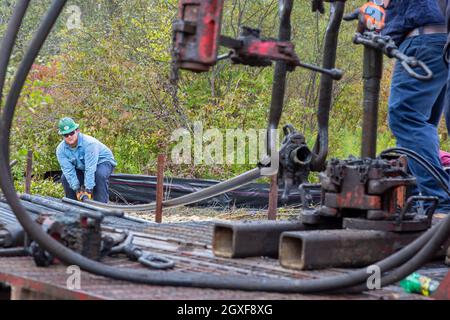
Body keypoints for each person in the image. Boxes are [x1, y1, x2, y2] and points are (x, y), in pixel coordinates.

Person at [382, 0, 450, 212]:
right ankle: (416, 201)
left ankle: (439, 202)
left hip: (423, 40)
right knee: (423, 125)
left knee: (405, 117)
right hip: (440, 41)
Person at [56, 117, 117, 203]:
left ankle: (101, 206)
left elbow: (90, 168)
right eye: (66, 135)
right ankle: (72, 207)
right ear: (62, 136)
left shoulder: (89, 144)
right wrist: (77, 190)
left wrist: (88, 190)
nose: (69, 137)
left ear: (77, 131)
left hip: (103, 162)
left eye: (71, 133)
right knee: (65, 177)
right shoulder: (61, 150)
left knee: (99, 175)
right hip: (83, 166)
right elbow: (68, 171)